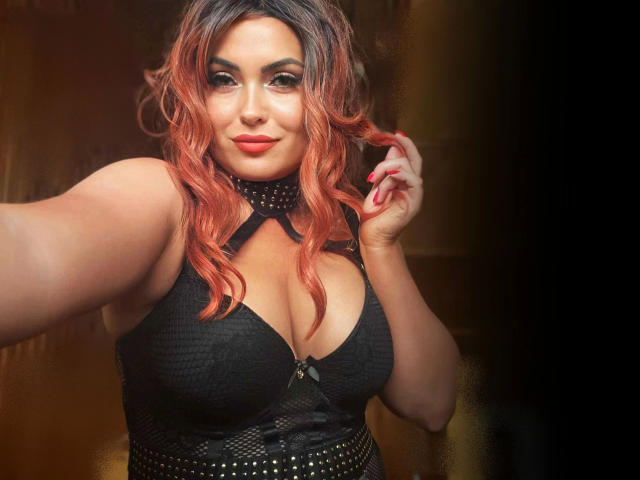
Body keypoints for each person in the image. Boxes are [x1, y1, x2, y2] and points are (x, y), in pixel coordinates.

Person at [0, 0, 460, 479]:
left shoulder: (349, 221)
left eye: (283, 79)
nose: (251, 111)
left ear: (324, 91)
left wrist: (382, 246)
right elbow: (29, 251)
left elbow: (432, 405)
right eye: (223, 79)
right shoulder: (162, 199)